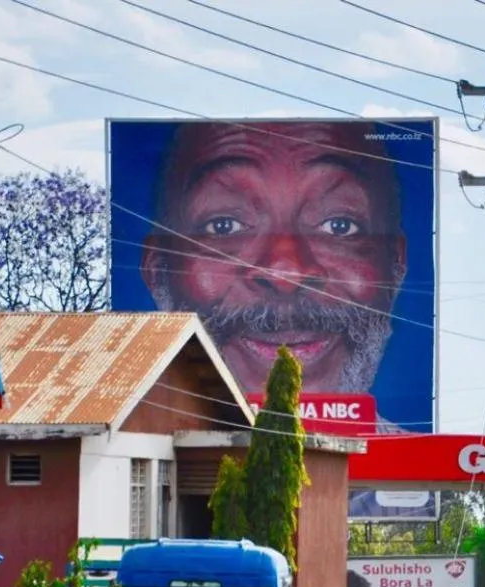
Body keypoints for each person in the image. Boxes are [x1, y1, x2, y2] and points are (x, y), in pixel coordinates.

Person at [139, 121, 410, 422]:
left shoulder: (422, 455)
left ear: (396, 265)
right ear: (158, 271)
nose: (285, 273)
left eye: (339, 226)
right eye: (224, 226)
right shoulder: (127, 445)